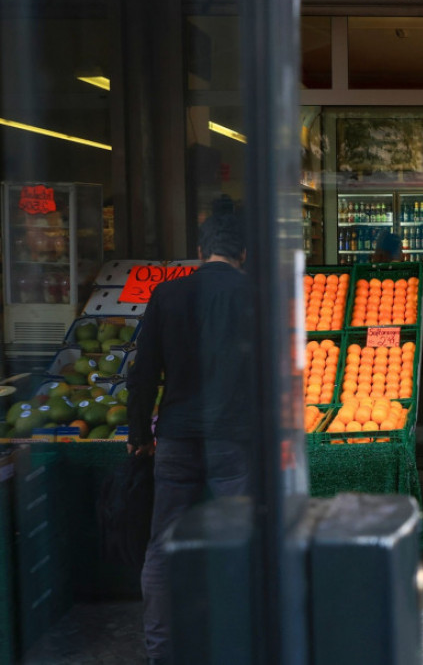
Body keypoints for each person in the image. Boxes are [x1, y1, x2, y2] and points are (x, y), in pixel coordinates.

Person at [127, 213, 255, 665]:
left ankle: (162, 651)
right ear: (243, 254)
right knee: (238, 539)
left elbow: (142, 373)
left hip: (177, 434)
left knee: (163, 545)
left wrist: (139, 432)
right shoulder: (252, 295)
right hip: (234, 437)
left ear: (201, 252)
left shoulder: (168, 293)